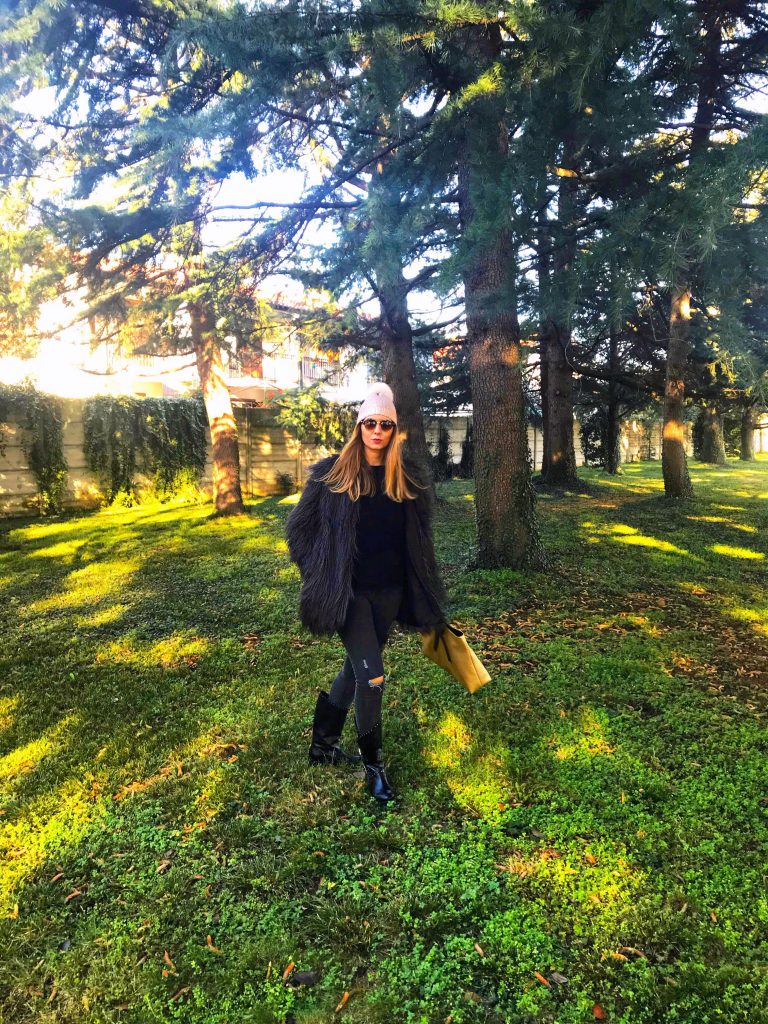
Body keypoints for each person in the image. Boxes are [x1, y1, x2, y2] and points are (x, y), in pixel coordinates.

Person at [285, 382, 449, 804]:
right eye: (370, 423)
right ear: (359, 426)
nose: (377, 431)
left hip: (389, 593)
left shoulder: (407, 478)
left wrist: (423, 590)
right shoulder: (332, 474)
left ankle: (322, 745)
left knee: (355, 670)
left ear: (395, 430)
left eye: (385, 425)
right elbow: (298, 532)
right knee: (372, 677)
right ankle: (374, 767)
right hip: (350, 595)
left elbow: (420, 540)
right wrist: (321, 575)